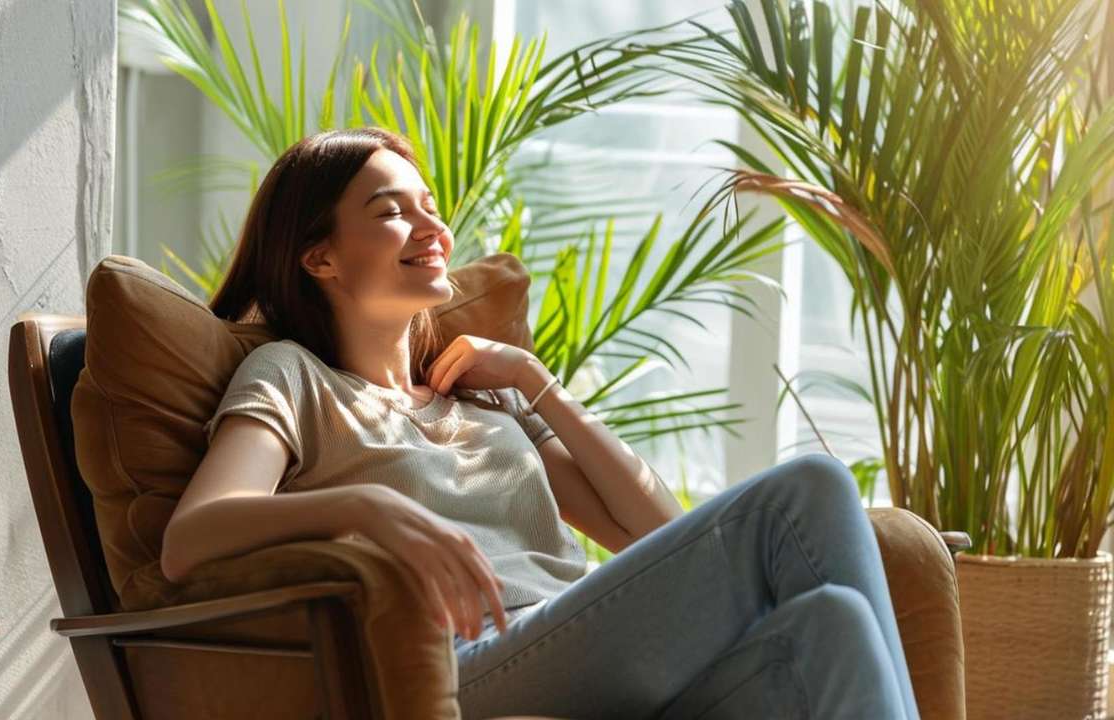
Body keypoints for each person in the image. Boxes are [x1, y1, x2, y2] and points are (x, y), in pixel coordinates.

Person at [158, 127, 921, 720]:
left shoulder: (485, 401)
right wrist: (365, 506)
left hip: (581, 638)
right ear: (320, 258)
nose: (431, 227)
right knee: (810, 489)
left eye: (430, 207)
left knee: (834, 624)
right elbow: (191, 538)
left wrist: (536, 382)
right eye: (391, 212)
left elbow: (654, 531)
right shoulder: (293, 376)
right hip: (469, 660)